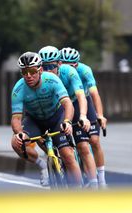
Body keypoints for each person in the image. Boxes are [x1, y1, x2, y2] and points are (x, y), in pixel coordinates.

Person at [11, 51, 82, 187]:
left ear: (40, 70)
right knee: (16, 143)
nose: (28, 76)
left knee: (67, 154)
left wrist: (67, 122)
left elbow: (67, 104)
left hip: (56, 116)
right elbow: (16, 118)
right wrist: (19, 133)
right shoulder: (18, 89)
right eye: (24, 72)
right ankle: (42, 165)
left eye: (32, 71)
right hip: (35, 120)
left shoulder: (52, 80)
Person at [38, 46, 98, 188]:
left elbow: (81, 96)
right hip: (56, 107)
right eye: (44, 67)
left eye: (51, 66)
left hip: (75, 103)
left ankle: (95, 185)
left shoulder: (70, 72)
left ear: (59, 64)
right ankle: (52, 160)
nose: (47, 71)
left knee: (83, 145)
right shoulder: (37, 78)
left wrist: (83, 116)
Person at [59, 47, 108, 187]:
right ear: (59, 64)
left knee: (94, 140)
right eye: (65, 65)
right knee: (78, 144)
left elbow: (94, 94)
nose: (69, 69)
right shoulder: (57, 72)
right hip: (65, 102)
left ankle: (102, 180)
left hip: (82, 100)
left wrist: (100, 115)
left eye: (72, 65)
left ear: (77, 64)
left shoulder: (85, 70)